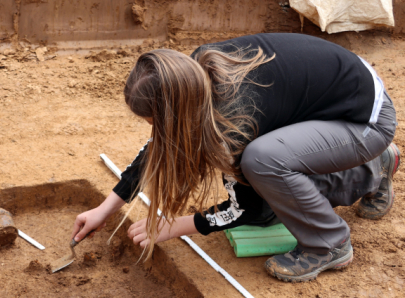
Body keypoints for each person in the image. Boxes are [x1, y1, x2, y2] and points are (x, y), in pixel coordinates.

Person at [71, 33, 400, 283]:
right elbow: (161, 145)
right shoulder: (190, 76)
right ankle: (374, 168)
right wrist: (105, 209)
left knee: (262, 162)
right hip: (337, 99)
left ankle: (329, 244)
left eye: (155, 122)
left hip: (363, 121)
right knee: (269, 184)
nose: (155, 131)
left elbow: (244, 208)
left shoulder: (234, 123)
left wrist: (174, 226)